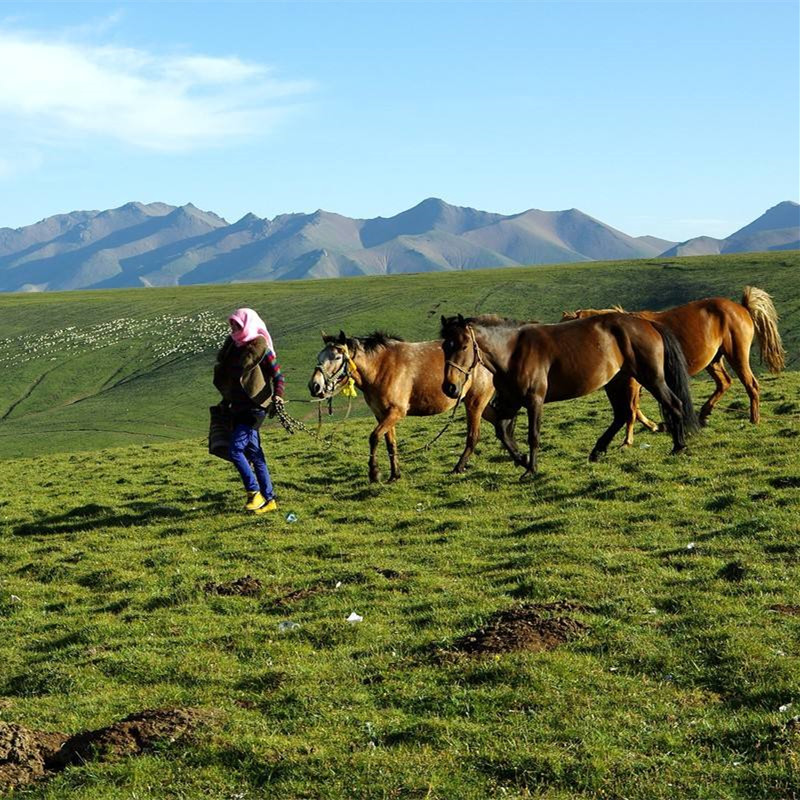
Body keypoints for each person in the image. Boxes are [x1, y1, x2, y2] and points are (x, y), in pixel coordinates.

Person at [213, 307, 285, 514]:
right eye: (232, 324)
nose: (233, 328)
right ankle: (270, 500)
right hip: (237, 407)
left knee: (235, 450)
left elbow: (278, 376)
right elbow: (233, 382)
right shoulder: (233, 348)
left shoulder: (262, 349)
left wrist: (278, 396)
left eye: (237, 324)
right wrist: (224, 401)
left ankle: (254, 493)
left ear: (248, 324)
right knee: (255, 454)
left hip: (255, 408)